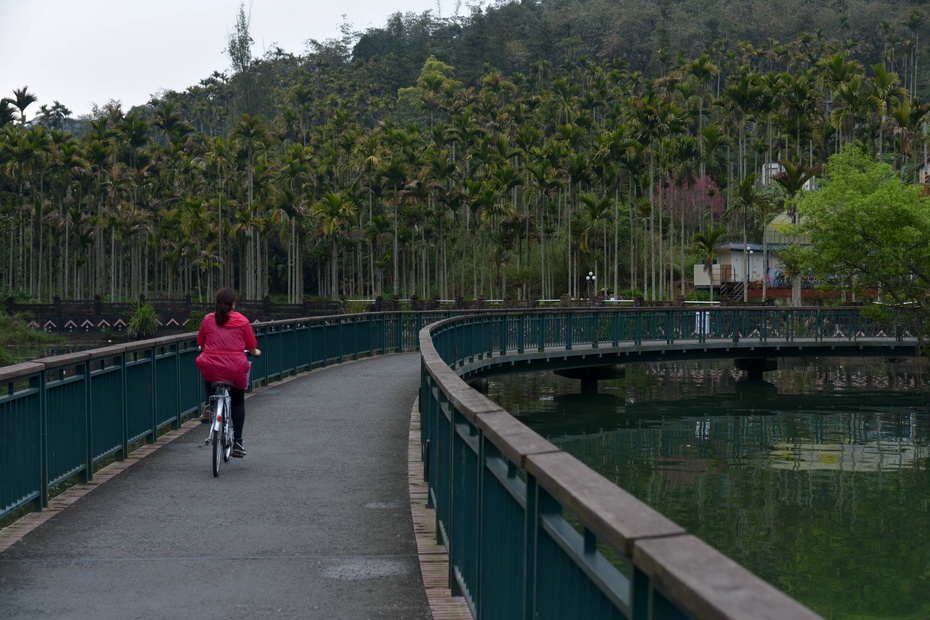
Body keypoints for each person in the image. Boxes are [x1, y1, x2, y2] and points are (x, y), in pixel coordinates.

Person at [196, 288, 260, 458]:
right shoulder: (242, 321)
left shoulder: (208, 319)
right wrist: (256, 353)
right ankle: (238, 441)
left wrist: (205, 349)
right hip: (235, 368)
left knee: (207, 371)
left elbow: (201, 343)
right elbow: (251, 345)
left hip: (212, 365)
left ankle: (209, 406)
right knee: (238, 402)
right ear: (233, 304)